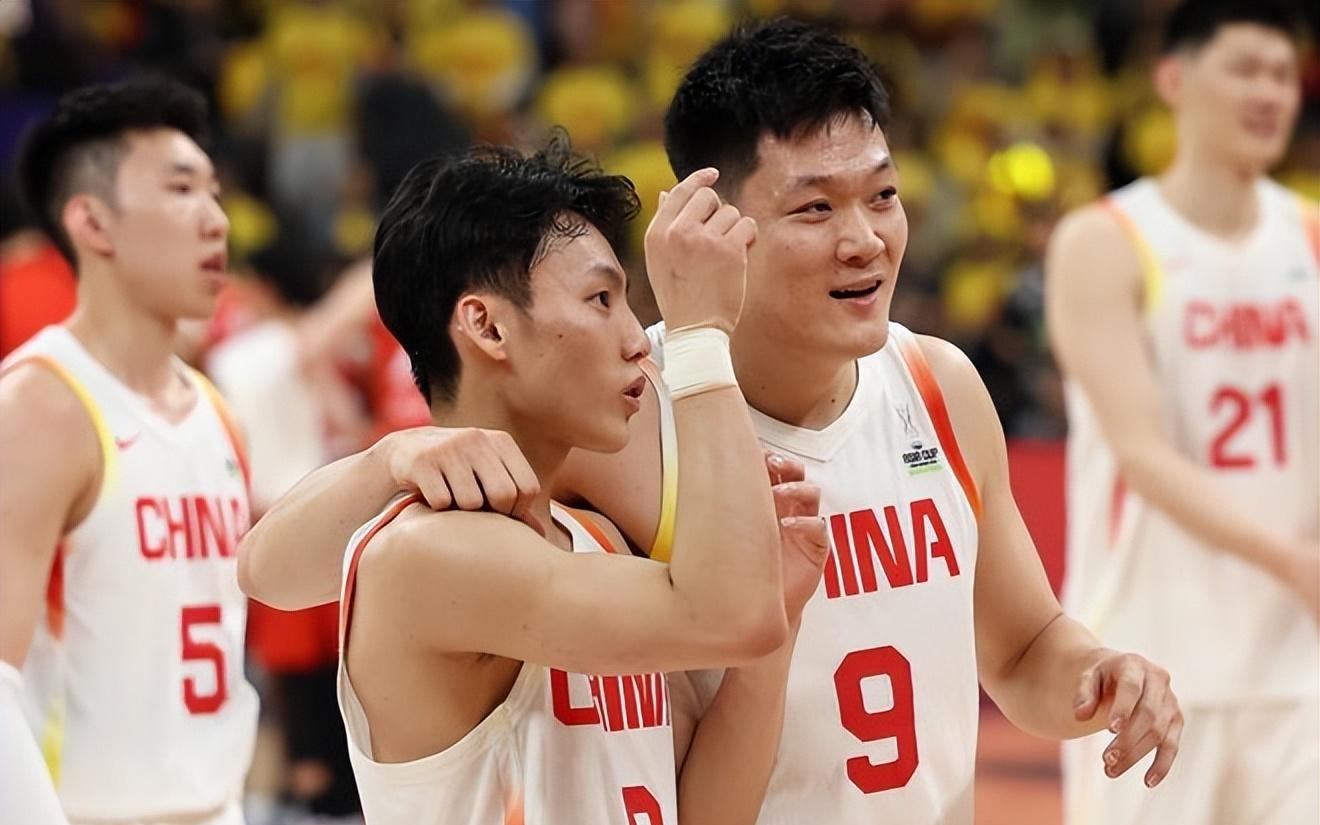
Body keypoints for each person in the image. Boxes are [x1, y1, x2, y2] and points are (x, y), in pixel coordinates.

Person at [240, 20, 1183, 824]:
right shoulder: (621, 405)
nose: (864, 239)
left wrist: (1099, 676)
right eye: (815, 207)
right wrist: (399, 454)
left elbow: (1021, 646)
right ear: (715, 221)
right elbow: (283, 572)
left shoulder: (939, 384)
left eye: (883, 196)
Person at [331, 139, 829, 824]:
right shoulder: (428, 553)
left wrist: (779, 620)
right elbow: (731, 614)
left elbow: (704, 814)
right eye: (600, 299)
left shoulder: (599, 545)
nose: (637, 339)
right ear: (487, 326)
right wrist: (701, 335)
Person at [1045, 2, 1319, 823]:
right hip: (1149, 658)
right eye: (1245, 69)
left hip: (1296, 664)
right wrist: (1298, 562)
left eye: (1283, 75)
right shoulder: (1104, 239)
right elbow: (1143, 455)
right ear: (1172, 80)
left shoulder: (1310, 237)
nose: (1268, 92)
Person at [0, 78, 257, 825]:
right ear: (92, 222)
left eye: (215, 193)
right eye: (181, 190)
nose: (216, 220)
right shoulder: (38, 408)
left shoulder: (218, 413)